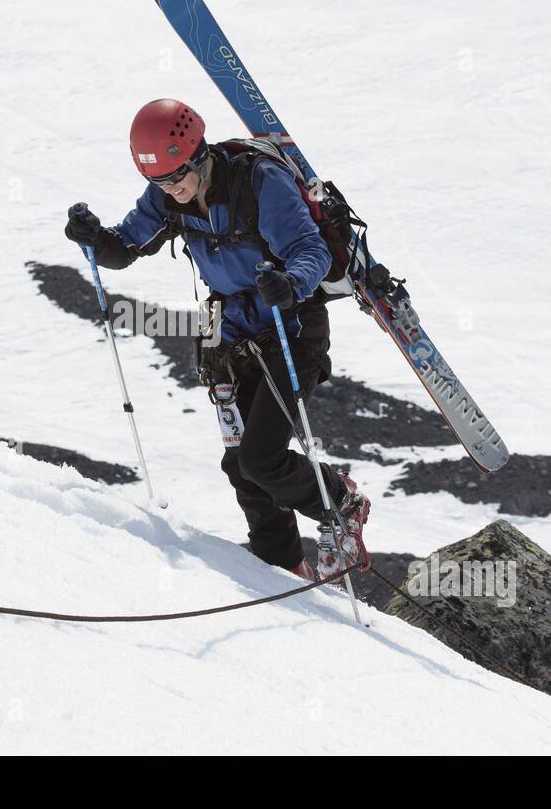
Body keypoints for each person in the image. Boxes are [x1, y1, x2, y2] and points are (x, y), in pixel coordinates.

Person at [64, 98, 369, 582]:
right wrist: (94, 238)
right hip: (222, 328)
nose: (172, 191)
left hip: (289, 325)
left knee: (261, 458)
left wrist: (291, 283)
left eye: (176, 177)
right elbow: (124, 247)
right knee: (239, 465)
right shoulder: (166, 195)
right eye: (159, 183)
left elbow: (308, 248)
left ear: (198, 153)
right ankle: (282, 567)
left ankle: (342, 502)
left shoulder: (259, 182)